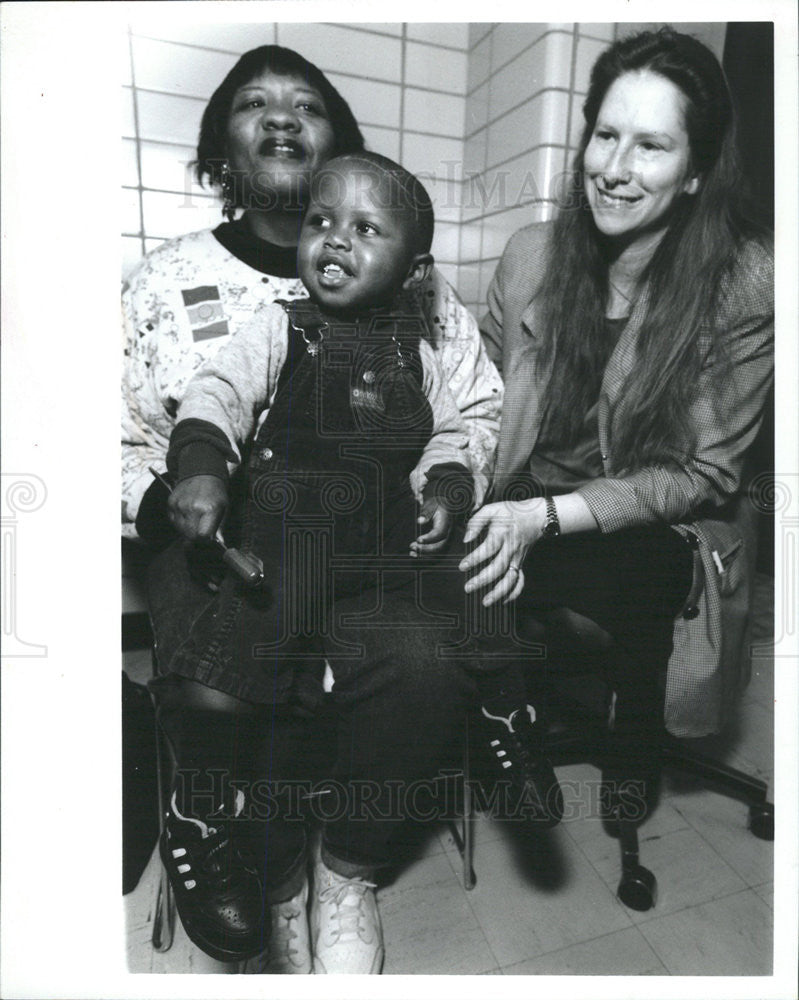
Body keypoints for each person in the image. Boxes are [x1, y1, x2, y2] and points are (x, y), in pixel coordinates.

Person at [151, 152, 481, 976]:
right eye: (321, 221)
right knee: (233, 680)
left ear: (415, 269)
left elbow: (454, 433)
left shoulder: (422, 350)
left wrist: (446, 486)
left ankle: (347, 872)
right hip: (283, 546)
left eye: (365, 229)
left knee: (431, 664)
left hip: (378, 559)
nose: (332, 239)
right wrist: (198, 461)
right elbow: (218, 390)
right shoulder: (282, 325)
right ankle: (256, 855)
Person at [459, 28, 774, 824]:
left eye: (649, 147)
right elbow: (489, 401)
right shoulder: (531, 253)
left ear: (695, 170)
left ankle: (630, 751)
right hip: (534, 486)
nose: (612, 168)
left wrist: (542, 518)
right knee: (454, 557)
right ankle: (506, 720)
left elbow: (701, 474)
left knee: (634, 576)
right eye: (604, 135)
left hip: (654, 512)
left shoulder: (744, 282)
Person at [122, 45, 501, 540]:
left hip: (379, 554)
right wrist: (176, 505)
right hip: (223, 564)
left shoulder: (419, 288)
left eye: (307, 107)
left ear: (341, 149)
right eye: (254, 104)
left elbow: (475, 415)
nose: (281, 118)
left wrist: (439, 497)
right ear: (222, 145)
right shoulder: (164, 278)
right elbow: (115, 438)